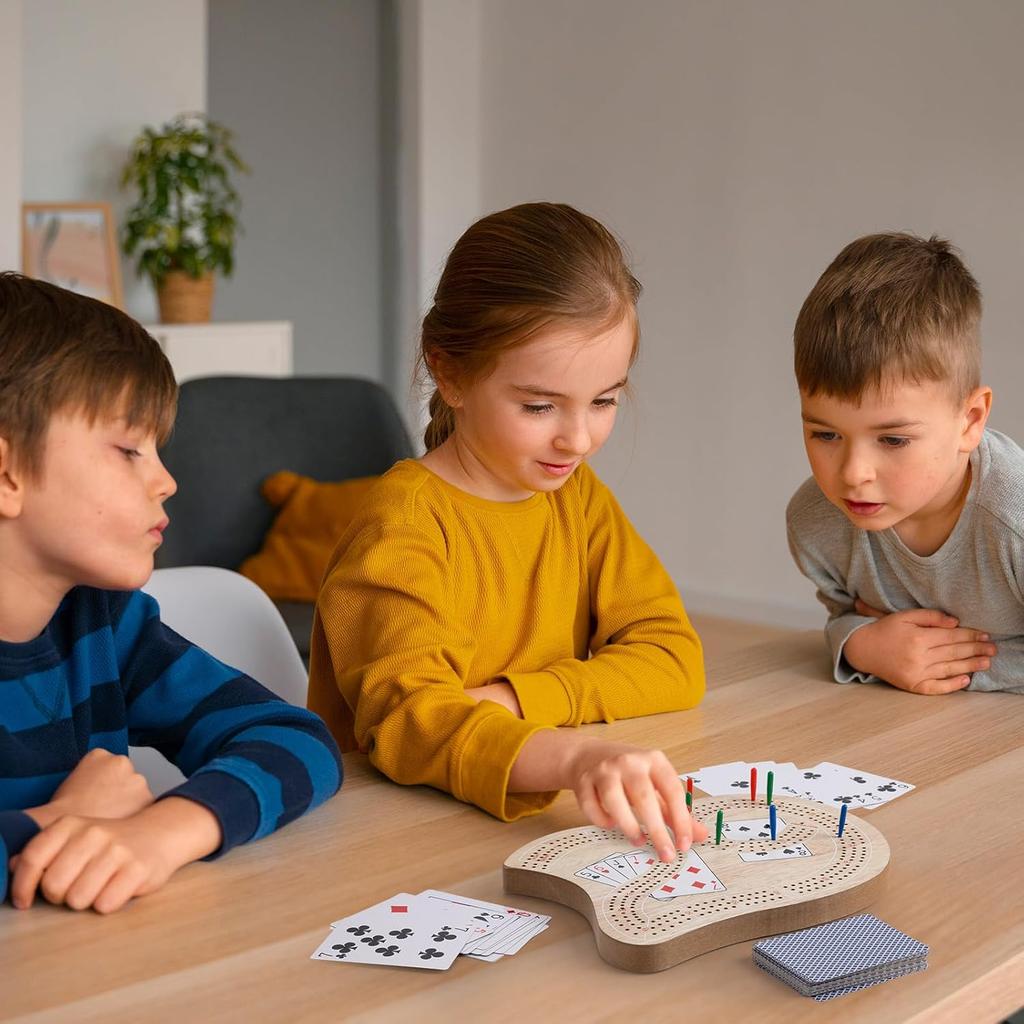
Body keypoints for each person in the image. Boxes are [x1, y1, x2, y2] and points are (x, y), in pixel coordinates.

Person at [309, 202, 706, 862]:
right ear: (451, 373)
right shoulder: (400, 525)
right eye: (539, 405)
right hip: (394, 843)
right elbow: (411, 723)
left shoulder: (576, 498)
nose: (578, 438)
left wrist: (516, 701)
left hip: (514, 832)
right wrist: (571, 753)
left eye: (605, 400)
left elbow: (673, 658)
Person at [0, 273, 343, 913]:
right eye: (129, 448)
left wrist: (162, 832)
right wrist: (52, 823)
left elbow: (298, 740)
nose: (166, 480)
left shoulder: (104, 625)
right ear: (6, 473)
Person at [787, 231, 1023, 695]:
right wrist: (861, 647)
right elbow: (846, 618)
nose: (854, 474)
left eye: (893, 439)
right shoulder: (815, 523)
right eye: (826, 434)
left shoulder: (1014, 522)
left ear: (970, 421)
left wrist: (957, 669)